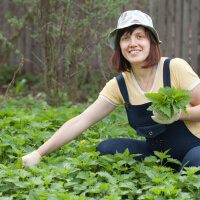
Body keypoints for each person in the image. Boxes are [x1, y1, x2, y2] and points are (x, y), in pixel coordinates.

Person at [22, 10, 200, 172]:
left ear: (151, 42)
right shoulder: (120, 85)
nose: (133, 43)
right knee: (106, 150)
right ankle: (170, 171)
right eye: (126, 38)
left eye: (140, 36)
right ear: (119, 47)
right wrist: (38, 154)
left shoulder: (173, 68)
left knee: (195, 162)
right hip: (158, 156)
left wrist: (178, 114)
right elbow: (81, 121)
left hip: (195, 148)